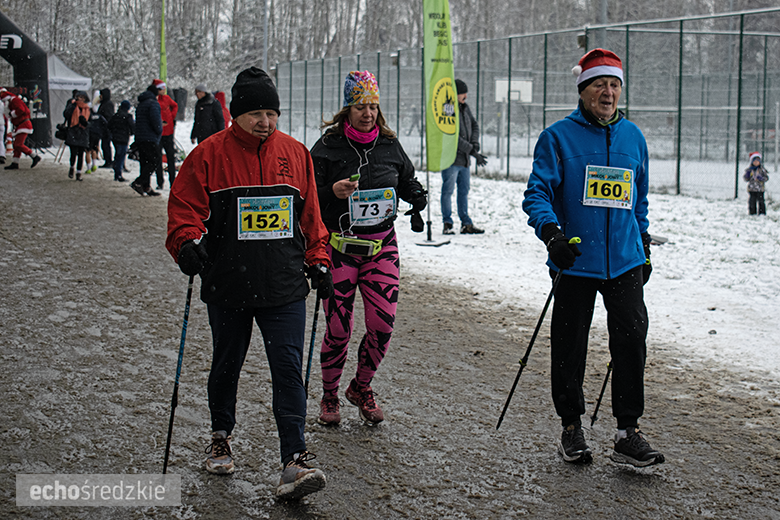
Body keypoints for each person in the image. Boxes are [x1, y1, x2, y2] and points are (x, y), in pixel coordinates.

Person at [166, 67, 331, 500]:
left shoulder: (295, 153)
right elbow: (183, 210)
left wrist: (319, 258)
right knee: (226, 363)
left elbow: (312, 216)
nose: (265, 121)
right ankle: (221, 434)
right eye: (256, 112)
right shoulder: (207, 154)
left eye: (271, 112)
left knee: (288, 369)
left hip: (284, 285)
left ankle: (294, 459)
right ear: (236, 114)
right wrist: (185, 243)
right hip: (229, 285)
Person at [522, 49, 664, 468]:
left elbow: (639, 200)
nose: (608, 92)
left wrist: (643, 247)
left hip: (624, 261)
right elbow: (537, 194)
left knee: (631, 340)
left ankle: (627, 432)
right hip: (575, 260)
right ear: (583, 90)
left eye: (615, 85)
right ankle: (571, 427)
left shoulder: (634, 138)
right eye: (600, 84)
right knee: (570, 344)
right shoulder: (558, 137)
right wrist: (553, 236)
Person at [310, 70, 427, 427]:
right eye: (361, 106)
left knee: (382, 325)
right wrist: (332, 191)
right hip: (339, 248)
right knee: (339, 330)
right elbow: (306, 196)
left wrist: (417, 195)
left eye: (373, 106)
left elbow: (405, 180)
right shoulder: (328, 147)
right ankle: (330, 394)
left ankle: (361, 387)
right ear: (347, 108)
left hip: (381, 248)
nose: (368, 113)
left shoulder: (389, 145)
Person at [440, 79, 487, 235]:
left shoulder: (465, 108)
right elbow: (450, 136)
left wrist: (474, 143)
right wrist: (472, 151)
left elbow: (474, 125)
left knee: (463, 191)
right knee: (448, 191)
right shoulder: (448, 109)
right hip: (451, 160)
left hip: (464, 161)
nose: (465, 96)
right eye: (462, 92)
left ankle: (466, 223)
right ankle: (447, 223)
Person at [130, 84, 163, 197]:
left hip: (140, 137)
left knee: (144, 162)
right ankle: (139, 182)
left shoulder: (141, 104)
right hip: (150, 137)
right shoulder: (153, 104)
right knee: (155, 160)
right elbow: (155, 121)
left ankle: (146, 186)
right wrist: (159, 129)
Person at [0, 89, 41, 170]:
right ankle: (15, 162)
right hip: (21, 125)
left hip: (24, 125)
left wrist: (12, 114)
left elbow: (21, 110)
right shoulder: (13, 101)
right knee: (16, 145)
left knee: (18, 144)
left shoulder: (15, 100)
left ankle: (34, 156)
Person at [153, 79, 179, 189]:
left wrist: (171, 117)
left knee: (170, 157)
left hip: (168, 132)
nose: (164, 90)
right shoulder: (154, 101)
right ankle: (160, 182)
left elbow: (175, 106)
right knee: (158, 157)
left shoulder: (167, 99)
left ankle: (173, 181)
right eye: (162, 88)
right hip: (158, 133)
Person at [62, 91, 90, 180]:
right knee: (73, 153)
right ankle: (72, 167)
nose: (81, 99)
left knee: (81, 154)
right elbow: (66, 115)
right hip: (73, 131)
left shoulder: (87, 109)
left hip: (83, 132)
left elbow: (91, 122)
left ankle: (79, 173)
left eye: (83, 97)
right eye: (79, 97)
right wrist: (71, 106)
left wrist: (85, 123)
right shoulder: (73, 106)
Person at [108, 100, 135, 182]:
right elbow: (133, 127)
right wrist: (131, 132)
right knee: (121, 156)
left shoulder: (116, 116)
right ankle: (118, 173)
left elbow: (109, 125)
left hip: (115, 138)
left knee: (117, 154)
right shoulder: (128, 116)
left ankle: (117, 171)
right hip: (123, 138)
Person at [743, 151, 769, 215]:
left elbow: (766, 178)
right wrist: (747, 175)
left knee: (761, 201)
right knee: (752, 201)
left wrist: (761, 178)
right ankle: (752, 212)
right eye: (754, 161)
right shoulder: (749, 170)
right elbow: (746, 179)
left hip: (760, 189)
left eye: (757, 161)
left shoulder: (762, 170)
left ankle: (762, 213)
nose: (756, 163)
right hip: (752, 189)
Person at [97, 88, 115, 168]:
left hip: (106, 128)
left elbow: (108, 116)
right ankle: (107, 160)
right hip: (103, 128)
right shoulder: (104, 103)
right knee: (104, 145)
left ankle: (109, 161)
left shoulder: (108, 104)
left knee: (106, 144)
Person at [86, 109, 108, 174]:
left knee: (88, 151)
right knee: (94, 150)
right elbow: (105, 123)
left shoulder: (89, 116)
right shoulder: (100, 116)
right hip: (97, 134)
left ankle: (88, 168)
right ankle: (94, 164)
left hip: (90, 134)